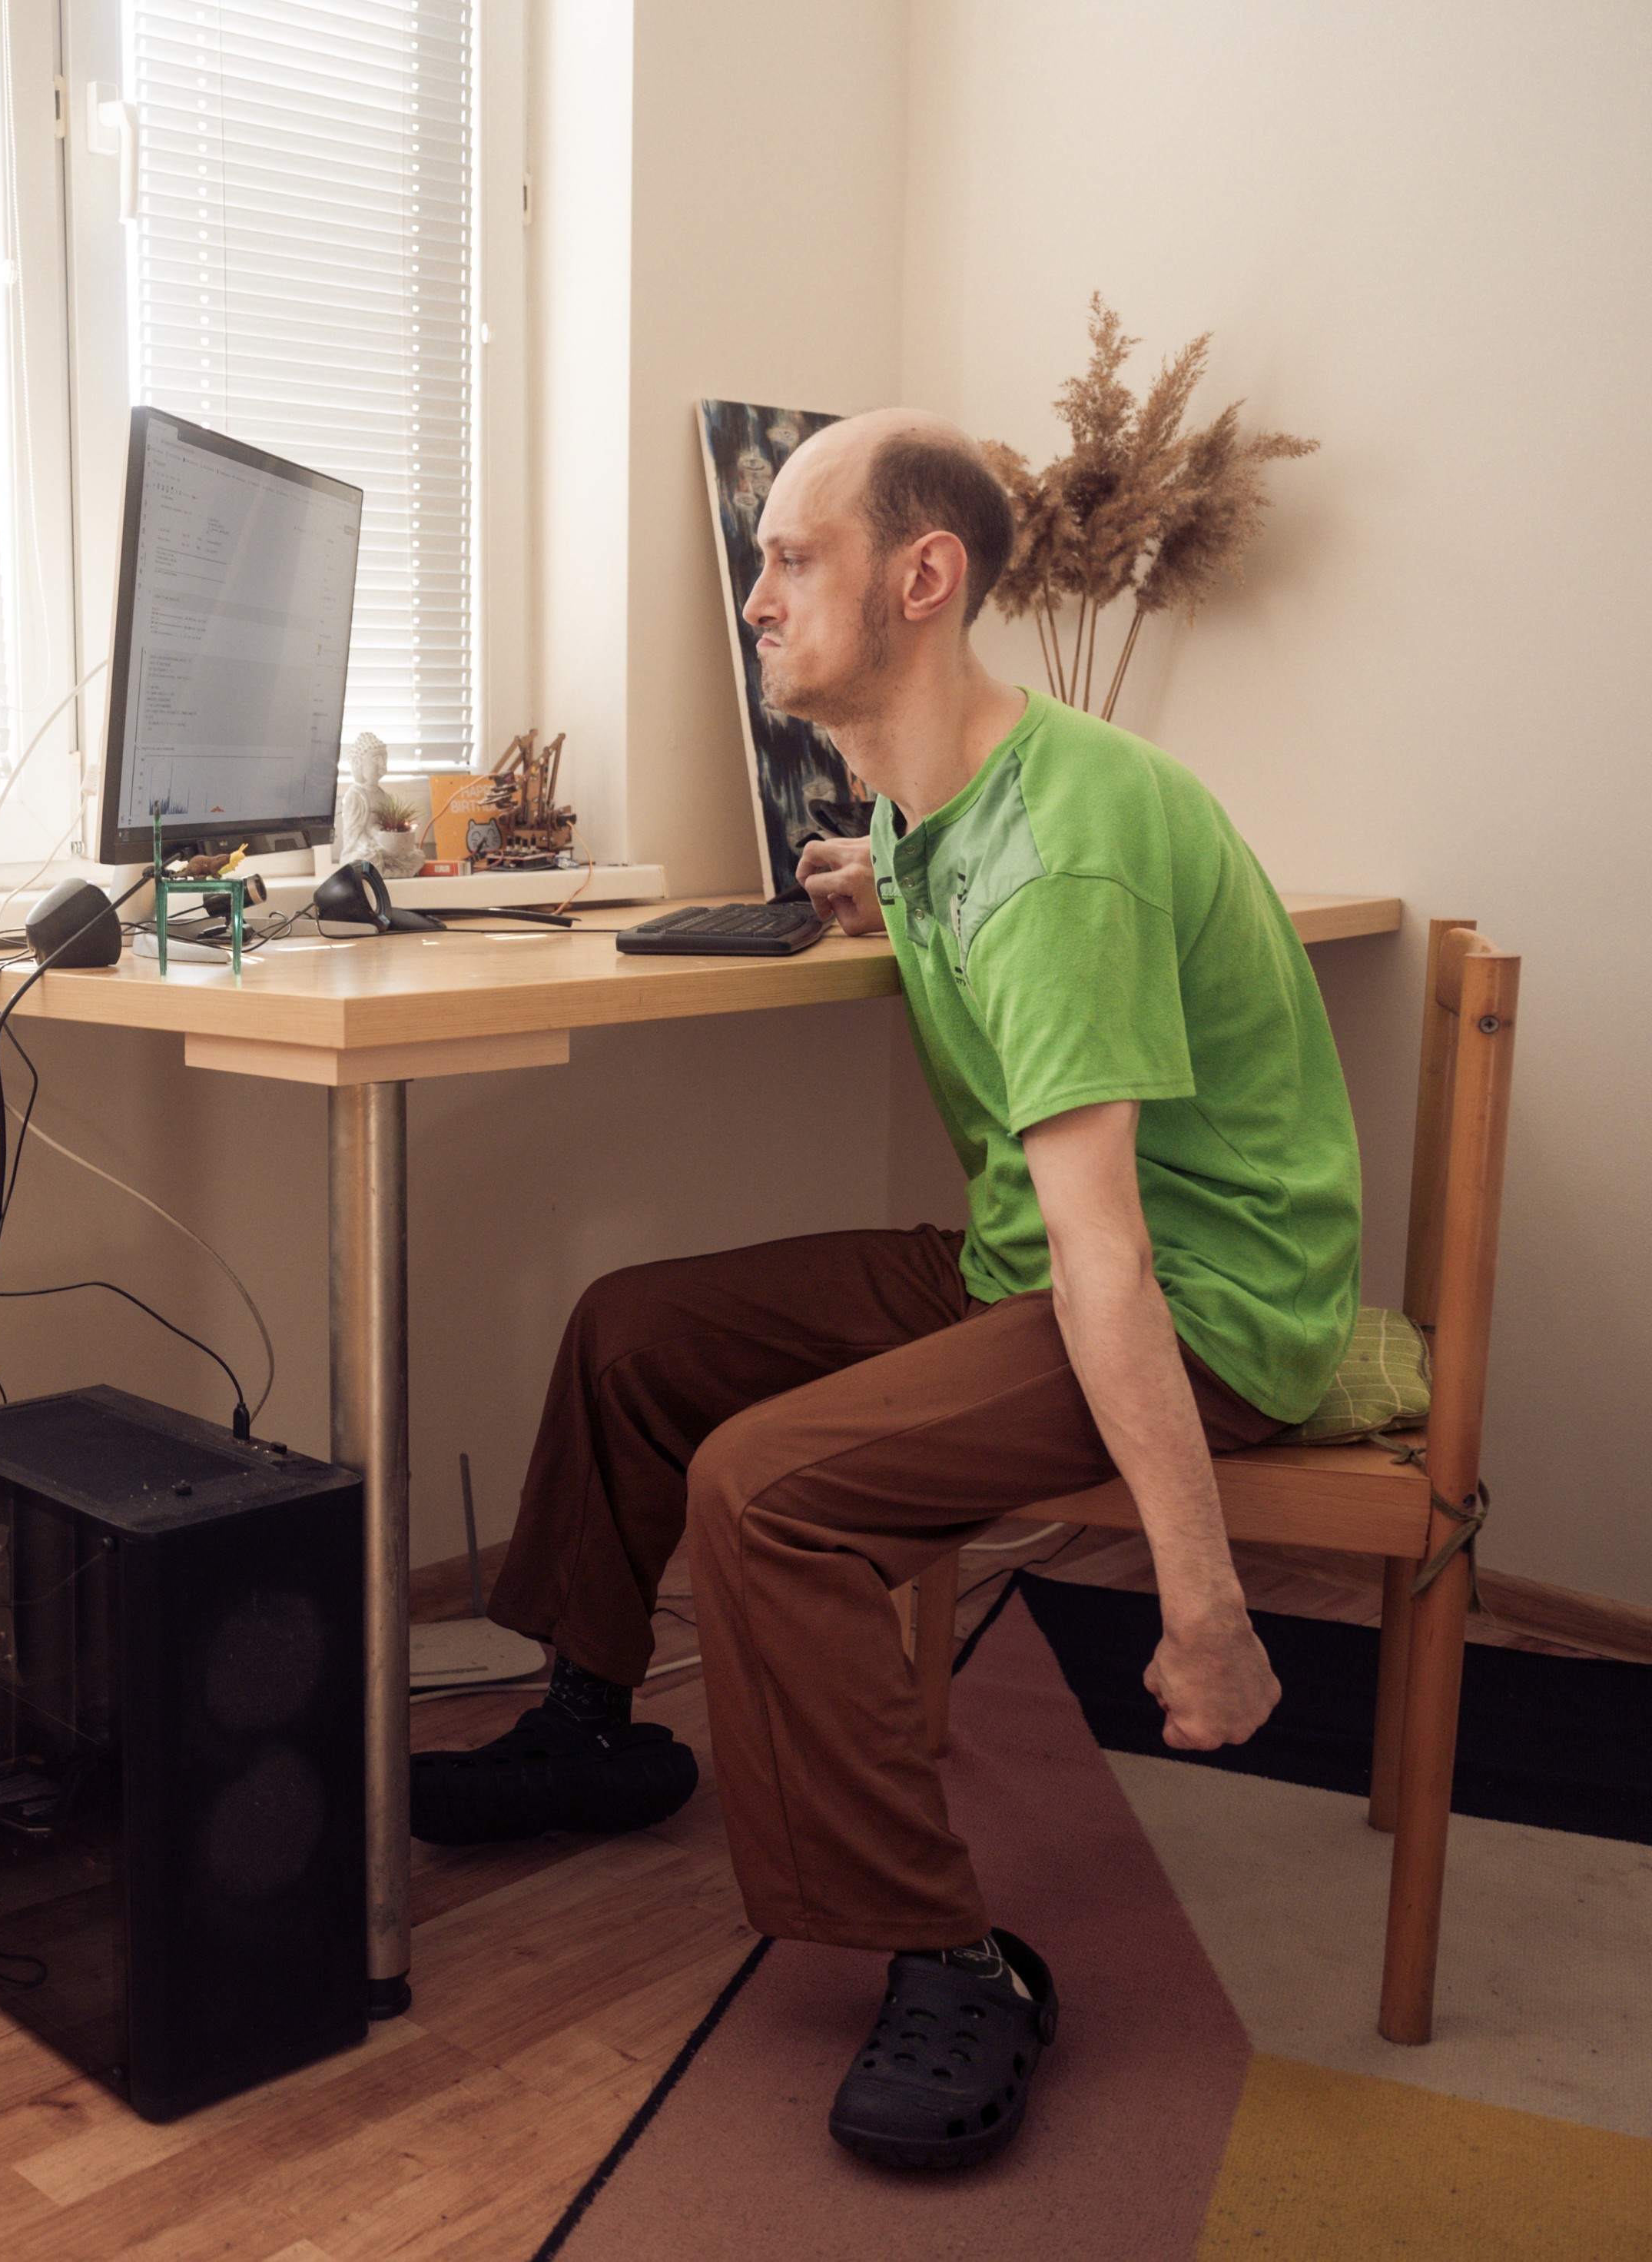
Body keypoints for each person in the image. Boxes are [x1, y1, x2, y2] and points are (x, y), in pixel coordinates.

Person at [410, 410, 1361, 2171]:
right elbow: (972, 912)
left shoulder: (1064, 846)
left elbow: (1112, 1254)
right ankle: (589, 1725)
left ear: (923, 579)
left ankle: (955, 1952)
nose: (756, 598)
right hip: (1021, 1263)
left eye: (791, 558)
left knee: (762, 1493)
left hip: (1197, 1307)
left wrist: (1208, 1600)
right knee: (633, 1328)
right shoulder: (946, 810)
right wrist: (883, 886)